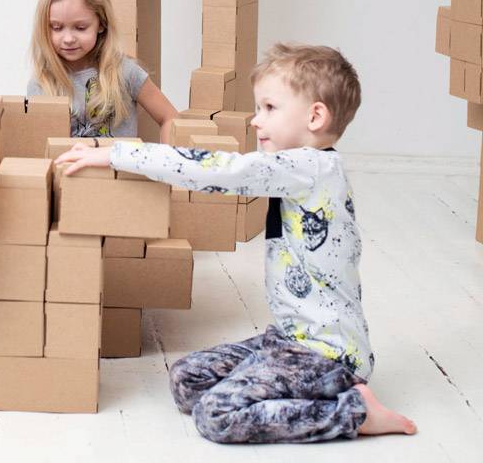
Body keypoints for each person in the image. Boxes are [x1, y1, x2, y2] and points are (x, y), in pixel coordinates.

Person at [57, 42, 417, 444]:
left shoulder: (310, 167)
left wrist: (118, 154)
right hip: (287, 338)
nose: (254, 119)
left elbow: (223, 171)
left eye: (269, 108)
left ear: (315, 116)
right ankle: (314, 390)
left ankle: (352, 412)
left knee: (217, 415)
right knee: (186, 380)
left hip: (326, 353)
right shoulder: (300, 169)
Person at [28, 0, 177, 141]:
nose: (68, 38)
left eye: (80, 28)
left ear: (101, 23)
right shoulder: (41, 82)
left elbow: (170, 118)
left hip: (117, 168)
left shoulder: (125, 72)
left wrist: (166, 161)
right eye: (56, 27)